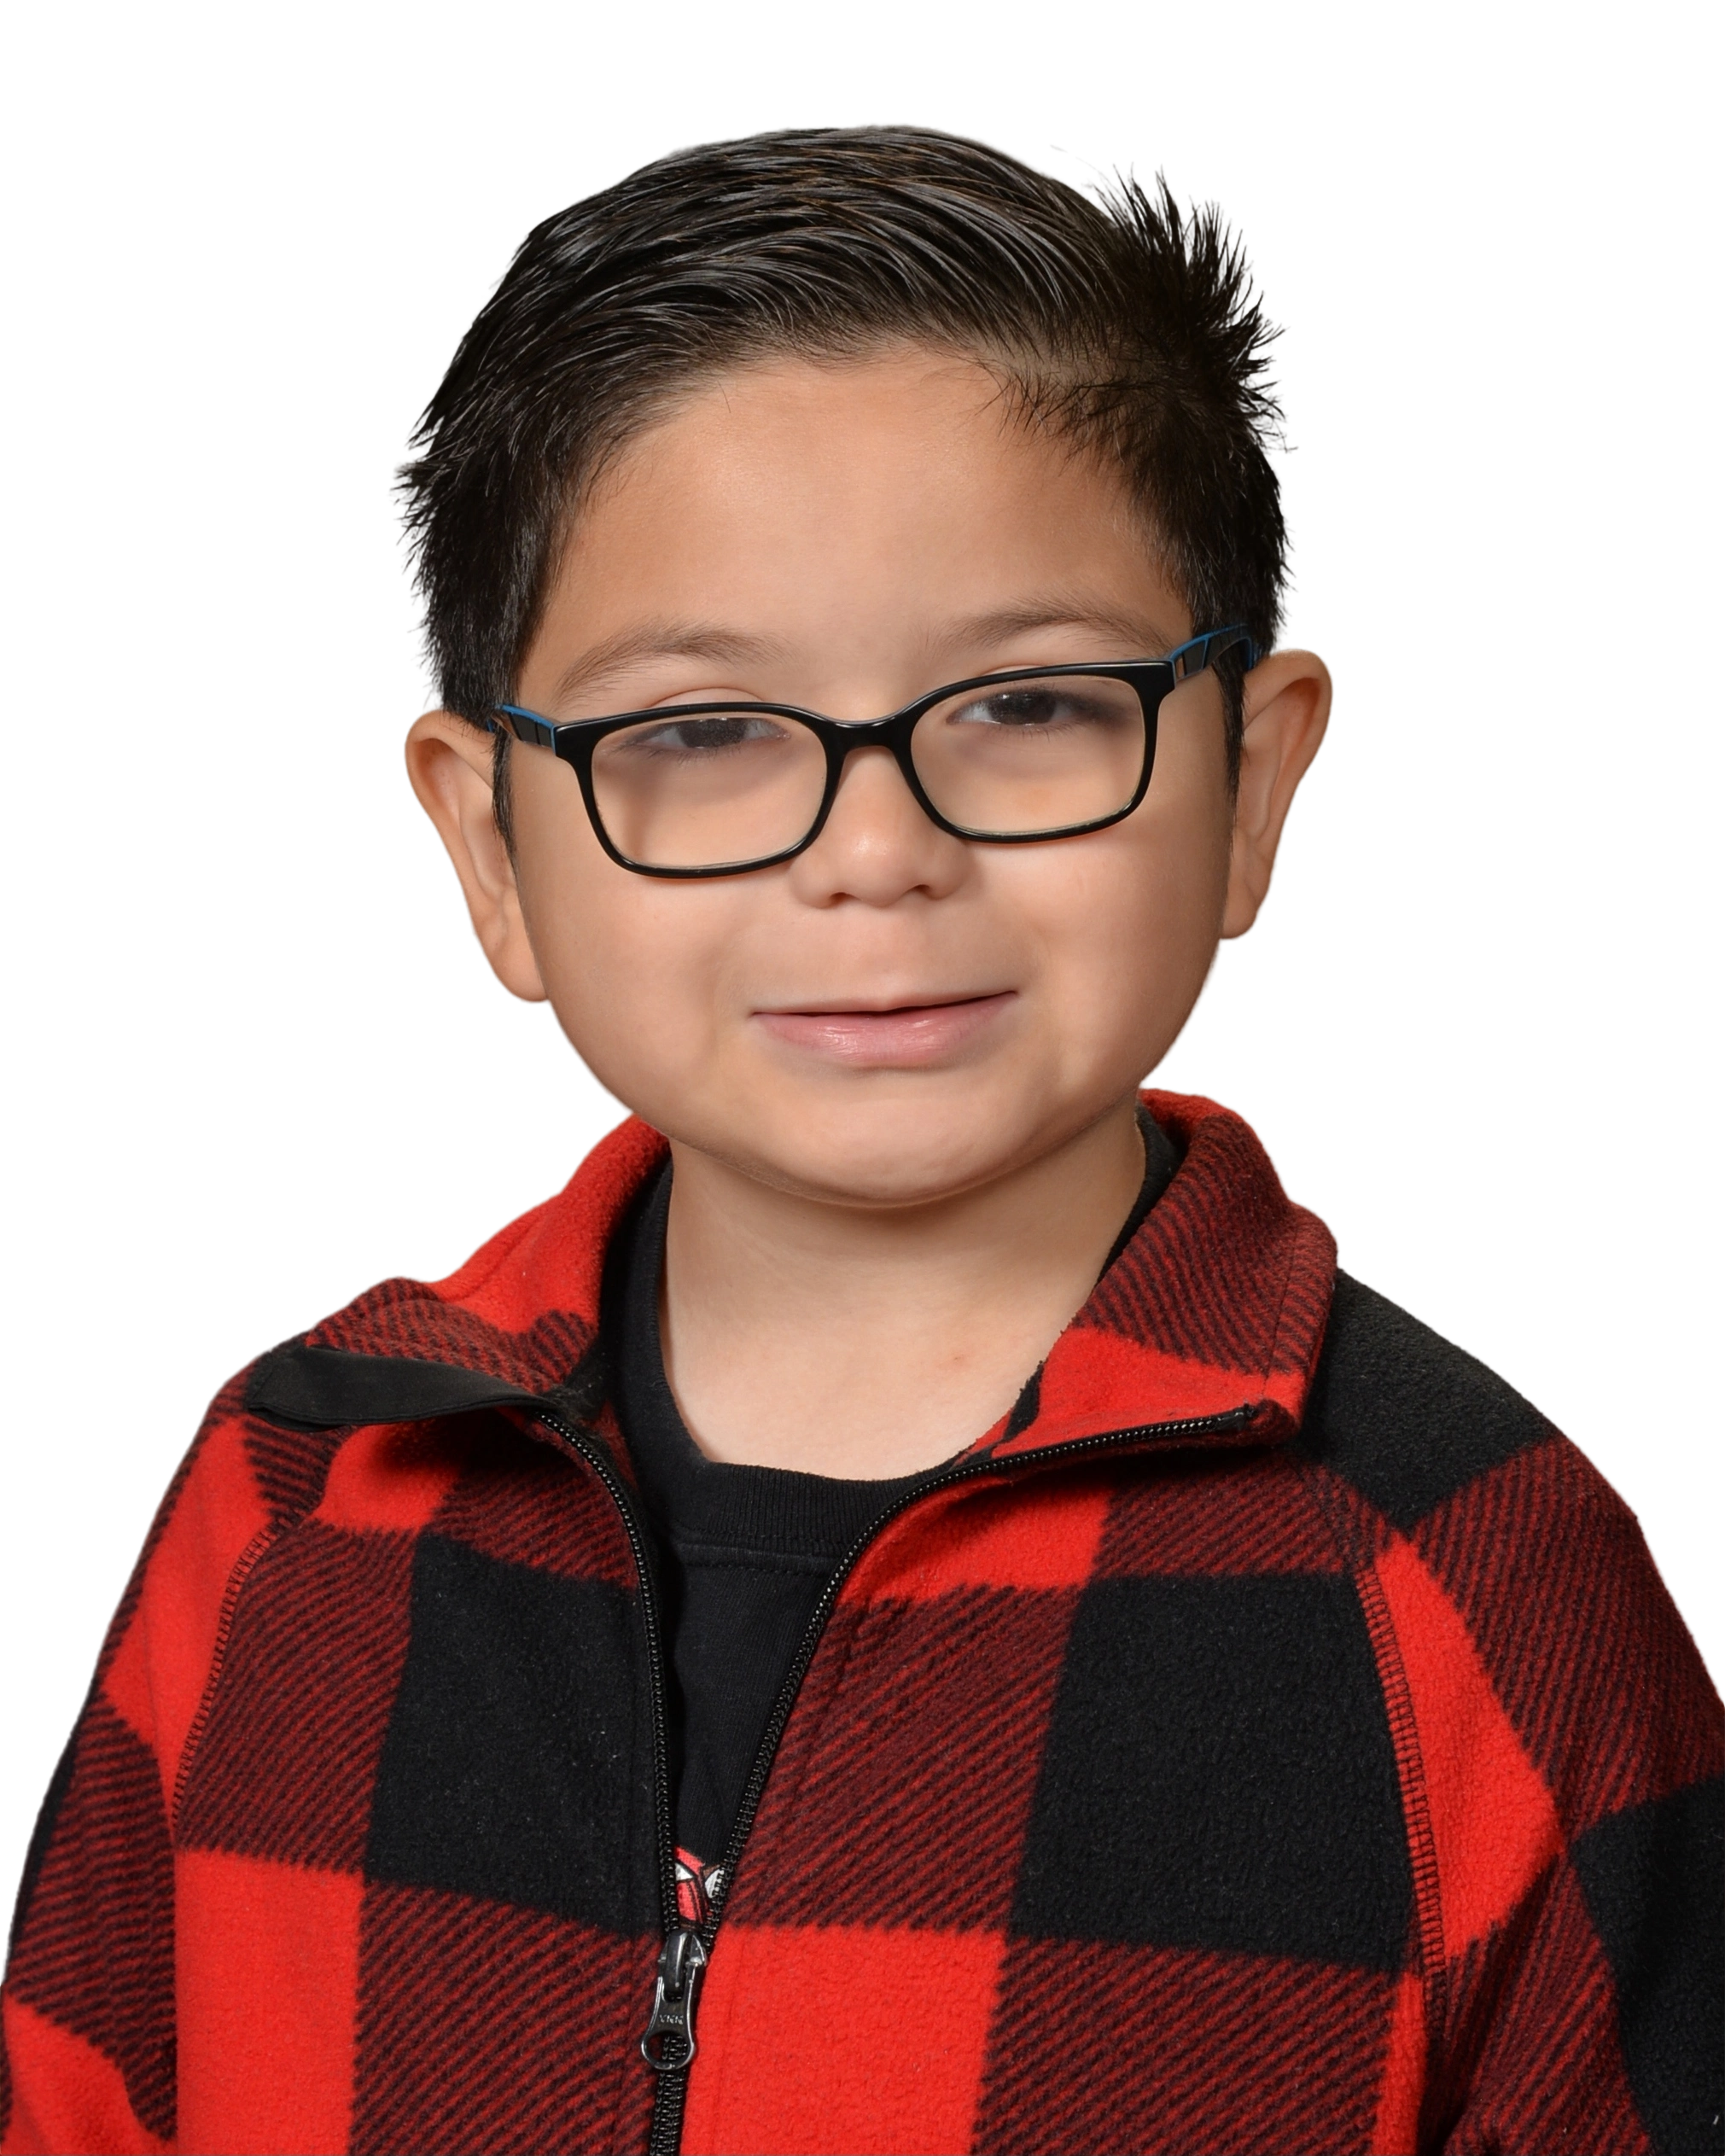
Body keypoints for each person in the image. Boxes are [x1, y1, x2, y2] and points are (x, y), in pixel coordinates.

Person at [3, 124, 1718, 2156]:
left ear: (1252, 784)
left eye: (1031, 707)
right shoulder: (300, 1487)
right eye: (699, 732)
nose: (874, 854)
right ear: (489, 848)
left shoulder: (1476, 1570)